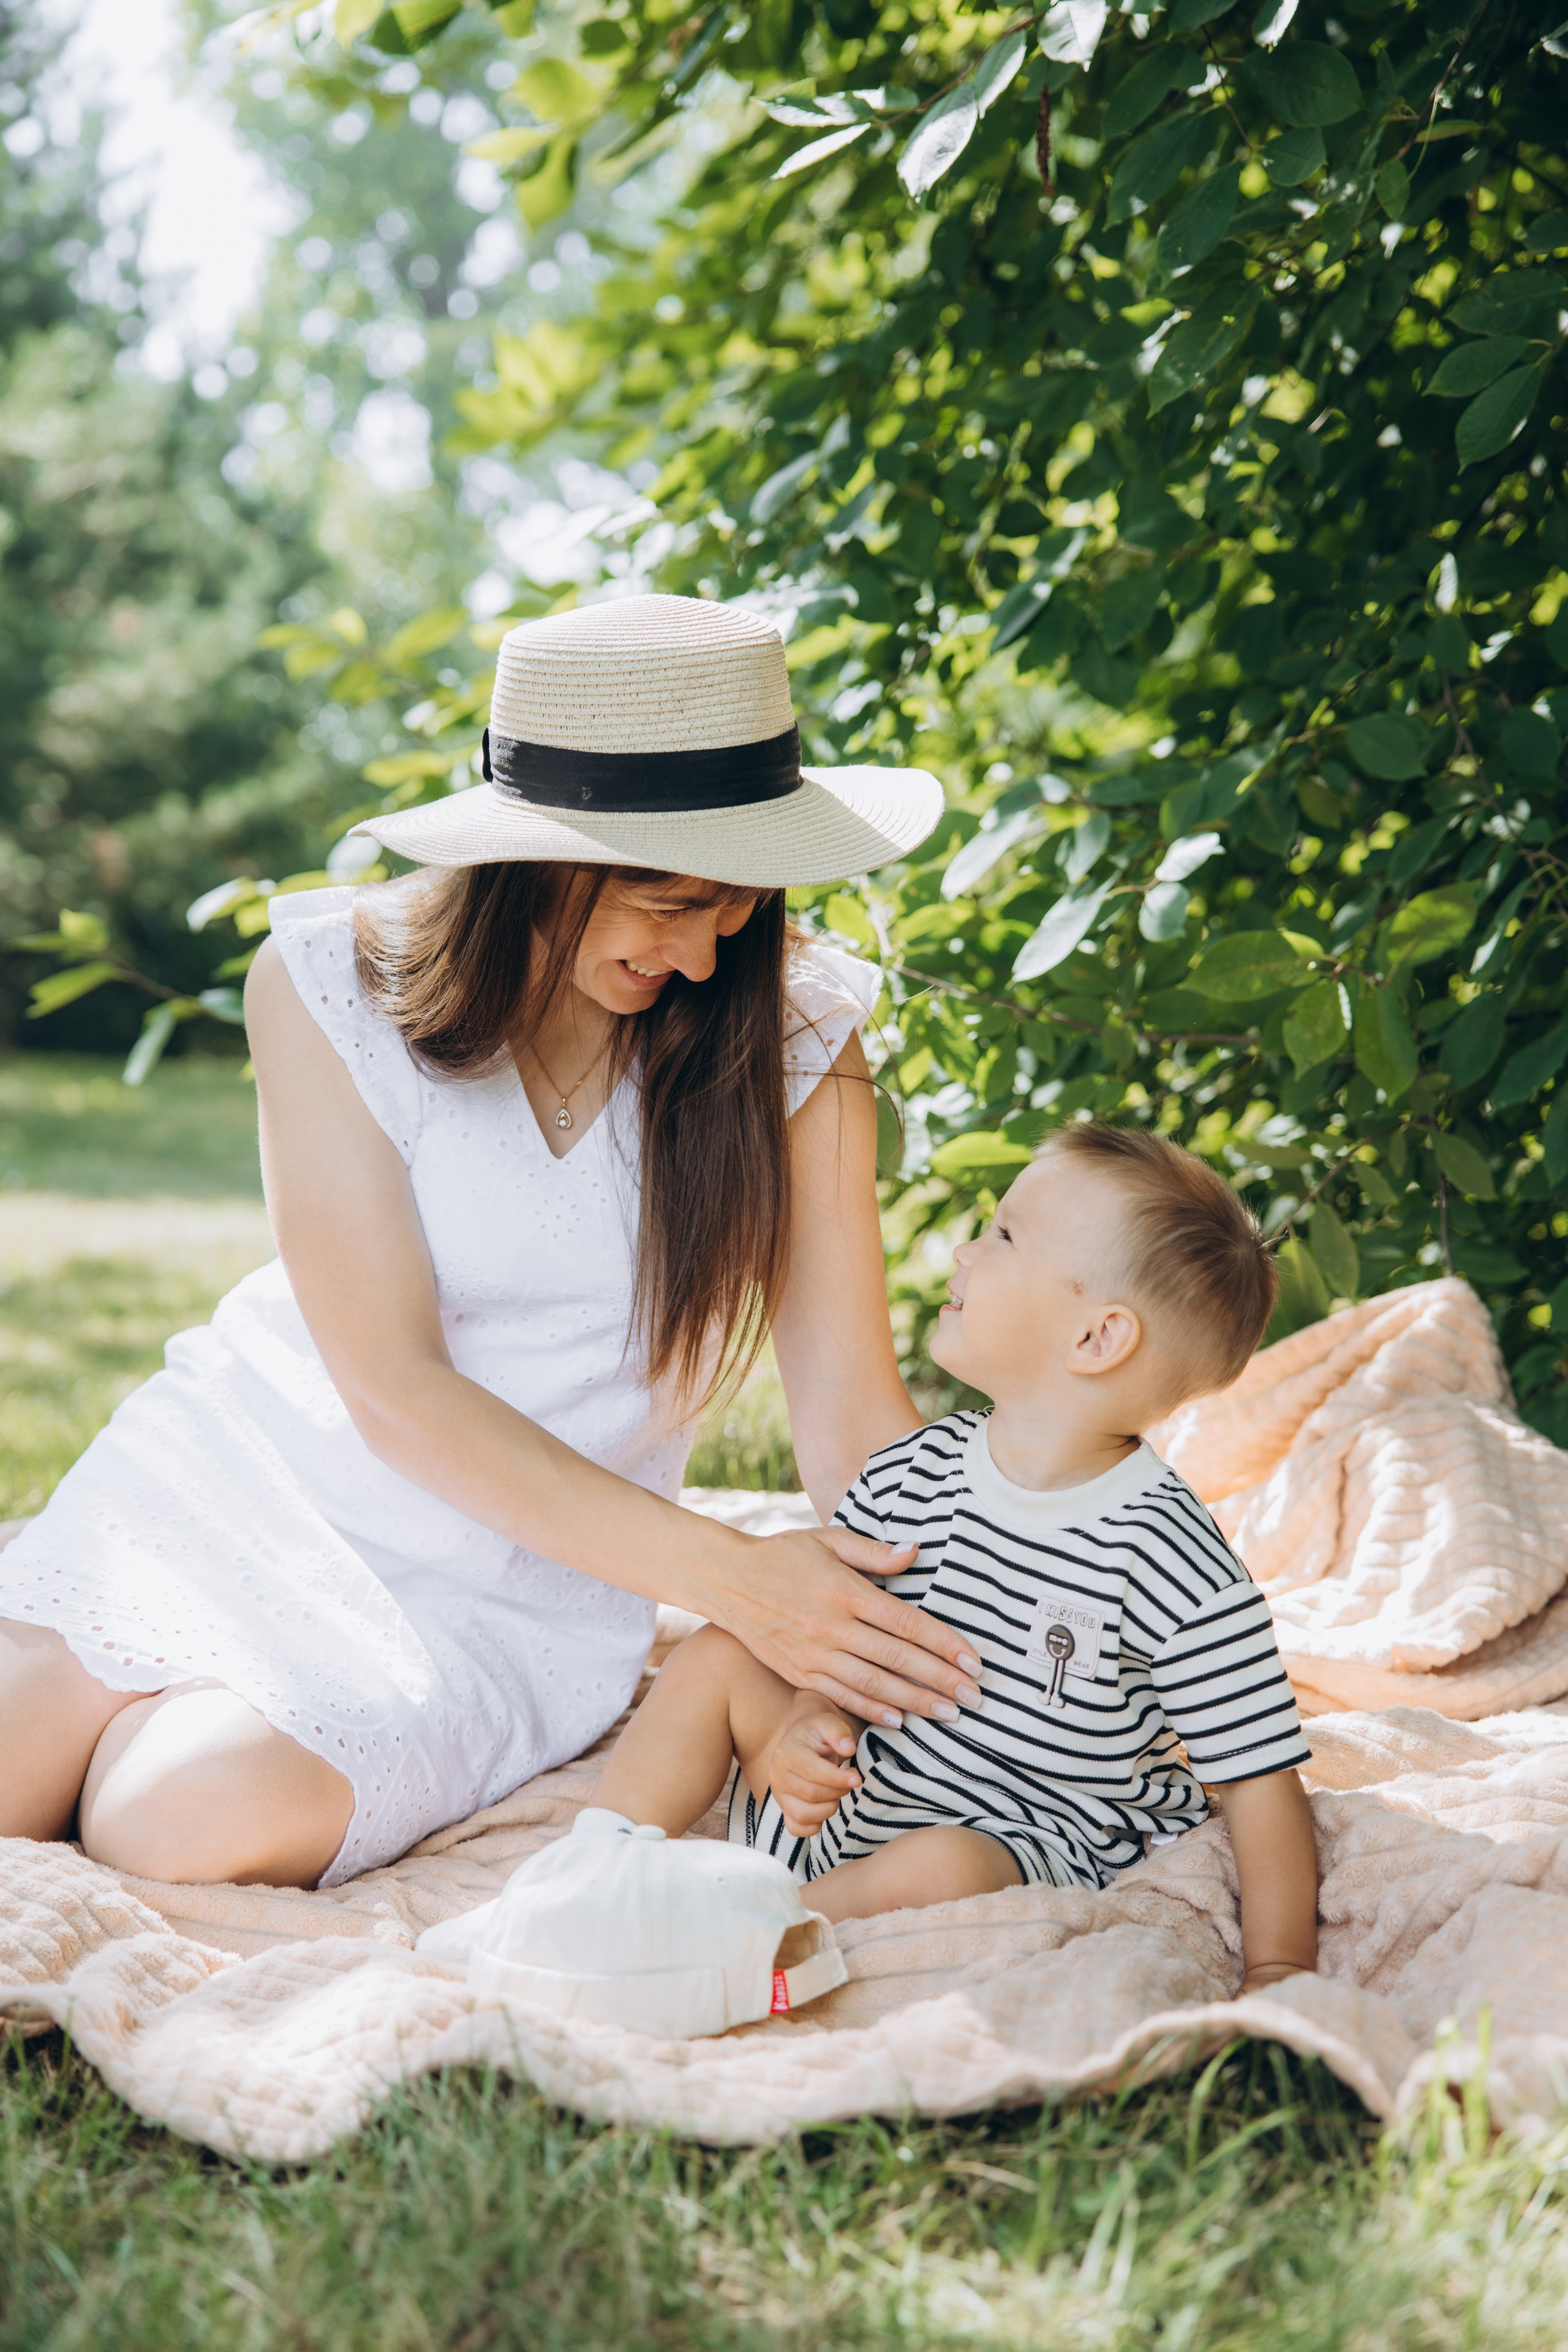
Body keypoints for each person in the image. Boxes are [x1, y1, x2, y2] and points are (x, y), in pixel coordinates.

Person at [0, 593, 986, 1891]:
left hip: (507, 1594)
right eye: (665, 901)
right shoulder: (328, 985)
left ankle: (153, 1733)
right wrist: (736, 1581)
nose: (702, 953)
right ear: (535, 858)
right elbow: (394, 1393)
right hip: (230, 1484)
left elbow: (853, 1410)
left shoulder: (797, 1038)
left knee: (171, 1820)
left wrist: (991, 1607)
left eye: (735, 904)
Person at [593, 1123, 1320, 1997]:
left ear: (1097, 1339)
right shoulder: (917, 1470)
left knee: (943, 1867)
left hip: (997, 1837)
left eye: (1006, 1236)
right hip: (845, 1790)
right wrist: (808, 1722)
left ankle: (753, 1933)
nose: (969, 1250)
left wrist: (1281, 1970)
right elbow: (839, 1632)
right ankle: (598, 1864)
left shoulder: (1173, 1564)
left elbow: (1261, 1788)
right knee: (720, 1654)